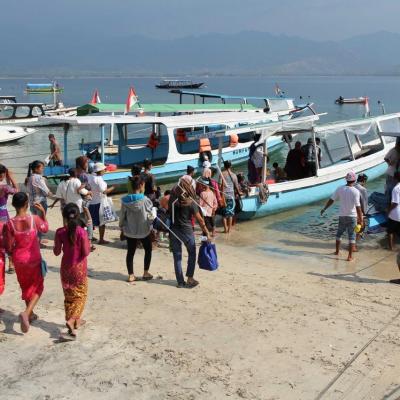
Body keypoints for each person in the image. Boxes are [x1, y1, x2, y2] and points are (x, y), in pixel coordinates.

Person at [3, 192, 48, 333]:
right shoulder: (34, 219)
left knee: (26, 286)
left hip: (19, 259)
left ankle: (31, 314)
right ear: (27, 204)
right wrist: (43, 213)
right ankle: (27, 312)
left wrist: (12, 253)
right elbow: (45, 228)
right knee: (38, 287)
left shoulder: (9, 223)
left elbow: (8, 245)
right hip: (33, 258)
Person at [53, 203, 90, 338]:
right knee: (81, 295)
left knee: (69, 296)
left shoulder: (60, 232)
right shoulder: (81, 232)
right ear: (78, 215)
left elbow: (56, 252)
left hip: (66, 268)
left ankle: (72, 326)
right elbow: (86, 252)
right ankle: (73, 319)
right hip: (79, 268)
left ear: (64, 216)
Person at [169, 177, 211, 288]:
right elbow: (200, 220)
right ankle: (190, 278)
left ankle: (180, 282)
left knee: (177, 257)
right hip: (187, 231)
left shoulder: (172, 200)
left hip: (174, 230)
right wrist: (206, 232)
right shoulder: (191, 202)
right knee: (192, 253)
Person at [321, 172, 362, 261]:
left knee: (339, 234)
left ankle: (337, 252)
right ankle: (350, 257)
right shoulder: (356, 191)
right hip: (352, 217)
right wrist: (361, 220)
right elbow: (358, 207)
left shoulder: (340, 189)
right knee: (352, 236)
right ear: (354, 180)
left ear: (346, 179)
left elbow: (331, 200)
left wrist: (324, 208)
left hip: (342, 216)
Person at [119, 176, 154, 283]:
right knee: (148, 250)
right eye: (143, 184)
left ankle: (131, 275)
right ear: (140, 185)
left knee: (130, 252)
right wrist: (152, 225)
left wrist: (122, 227)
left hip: (130, 230)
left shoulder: (125, 200)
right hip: (144, 230)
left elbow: (122, 217)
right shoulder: (145, 200)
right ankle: (145, 272)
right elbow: (150, 216)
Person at [88, 162, 115, 245]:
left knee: (91, 221)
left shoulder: (90, 177)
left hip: (91, 202)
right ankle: (101, 239)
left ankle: (90, 237)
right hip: (99, 202)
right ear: (100, 171)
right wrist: (113, 187)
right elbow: (104, 191)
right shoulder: (99, 179)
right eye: (104, 169)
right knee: (102, 222)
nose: (105, 170)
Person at [26, 160, 53, 241]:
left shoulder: (29, 178)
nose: (43, 169)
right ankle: (38, 241)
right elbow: (47, 191)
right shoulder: (39, 178)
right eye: (42, 168)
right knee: (40, 222)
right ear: (36, 169)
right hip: (40, 203)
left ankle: (37, 238)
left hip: (32, 203)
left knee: (35, 222)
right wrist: (56, 195)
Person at [0, 165, 18, 274]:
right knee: (8, 240)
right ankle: (11, 264)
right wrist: (11, 177)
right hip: (3, 215)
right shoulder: (5, 187)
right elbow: (17, 191)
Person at [220, 160, 240, 234]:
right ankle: (229, 230)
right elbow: (236, 186)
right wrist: (239, 193)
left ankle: (225, 230)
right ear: (230, 166)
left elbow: (220, 186)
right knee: (231, 213)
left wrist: (220, 196)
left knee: (224, 214)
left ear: (224, 166)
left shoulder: (222, 174)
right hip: (231, 196)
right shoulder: (234, 175)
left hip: (224, 195)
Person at [387, 172, 400, 251]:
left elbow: (395, 203)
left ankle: (390, 248)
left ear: (395, 178)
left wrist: (388, 210)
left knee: (390, 231)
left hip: (396, 214)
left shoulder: (396, 188)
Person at [384, 138, 400, 202]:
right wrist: (389, 163)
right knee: (391, 189)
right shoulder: (393, 150)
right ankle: (389, 203)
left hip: (395, 174)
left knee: (393, 189)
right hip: (391, 174)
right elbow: (385, 158)